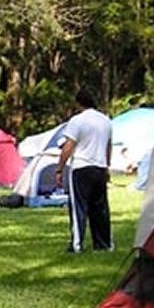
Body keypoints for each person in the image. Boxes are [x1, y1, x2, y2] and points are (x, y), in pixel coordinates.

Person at [56, 90, 113, 252]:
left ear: (79, 104)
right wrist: (107, 166)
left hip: (81, 168)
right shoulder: (106, 121)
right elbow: (108, 146)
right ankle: (103, 243)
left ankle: (77, 243)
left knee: (79, 207)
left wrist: (59, 168)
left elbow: (68, 146)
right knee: (100, 208)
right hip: (100, 167)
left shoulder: (77, 121)